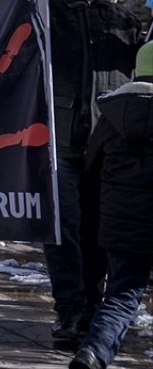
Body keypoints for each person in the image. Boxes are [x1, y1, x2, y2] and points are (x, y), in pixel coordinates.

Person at [31, 0, 143, 341]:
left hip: (110, 147)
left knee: (101, 230)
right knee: (63, 228)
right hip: (58, 144)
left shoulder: (124, 22)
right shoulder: (43, 15)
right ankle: (68, 308)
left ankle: (94, 308)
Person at [70, 43, 153, 369]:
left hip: (121, 226)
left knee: (121, 295)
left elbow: (91, 167)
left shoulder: (111, 115)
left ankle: (93, 353)